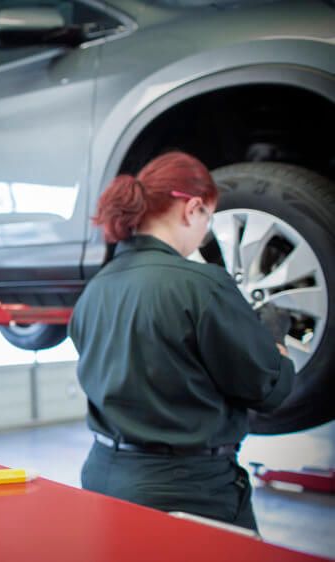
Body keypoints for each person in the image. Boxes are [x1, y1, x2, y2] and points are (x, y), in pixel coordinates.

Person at [68, 151, 295, 531]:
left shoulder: (96, 289)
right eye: (207, 217)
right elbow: (265, 391)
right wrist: (276, 348)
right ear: (192, 208)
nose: (204, 234)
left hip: (102, 479)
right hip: (188, 492)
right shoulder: (202, 286)